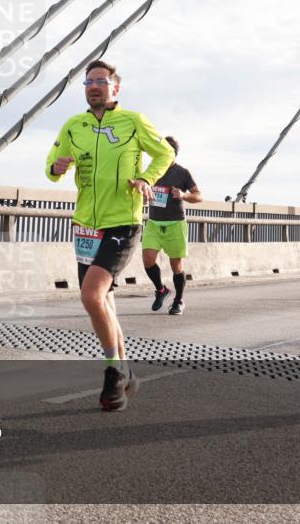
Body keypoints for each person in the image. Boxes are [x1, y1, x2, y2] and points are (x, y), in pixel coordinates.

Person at [46, 59, 174, 411]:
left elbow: (165, 152)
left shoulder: (133, 121)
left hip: (122, 222)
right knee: (104, 301)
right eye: (88, 82)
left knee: (91, 296)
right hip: (86, 226)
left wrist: (146, 179)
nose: (94, 86)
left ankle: (113, 370)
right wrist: (56, 167)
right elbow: (52, 168)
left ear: (115, 89)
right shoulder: (74, 125)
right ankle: (126, 371)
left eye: (101, 81)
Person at [143, 136, 203, 315]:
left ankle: (178, 300)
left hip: (175, 223)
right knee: (147, 259)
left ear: (172, 152)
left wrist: (184, 195)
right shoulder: (153, 170)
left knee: (176, 265)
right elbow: (145, 188)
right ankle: (161, 290)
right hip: (154, 223)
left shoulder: (182, 173)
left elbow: (199, 196)